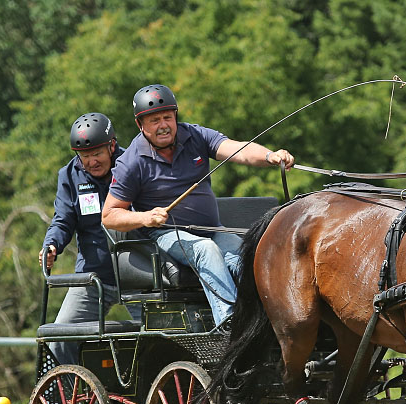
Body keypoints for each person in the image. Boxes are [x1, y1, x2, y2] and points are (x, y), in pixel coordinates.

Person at [101, 84, 294, 328]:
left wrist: (269, 156)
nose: (163, 125)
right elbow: (109, 215)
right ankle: (230, 326)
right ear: (141, 126)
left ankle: (273, 321)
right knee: (206, 250)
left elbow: (238, 150)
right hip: (166, 235)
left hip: (212, 228)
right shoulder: (131, 162)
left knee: (247, 254)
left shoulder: (195, 136)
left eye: (167, 118)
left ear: (175, 117)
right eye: (154, 121)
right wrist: (146, 217)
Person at [40, 112, 138, 365]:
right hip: (94, 277)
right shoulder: (69, 176)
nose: (92, 162)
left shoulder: (135, 164)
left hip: (141, 278)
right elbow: (62, 220)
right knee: (59, 337)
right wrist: (51, 245)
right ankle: (77, 400)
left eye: (97, 154)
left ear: (112, 146)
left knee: (163, 338)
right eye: (85, 156)